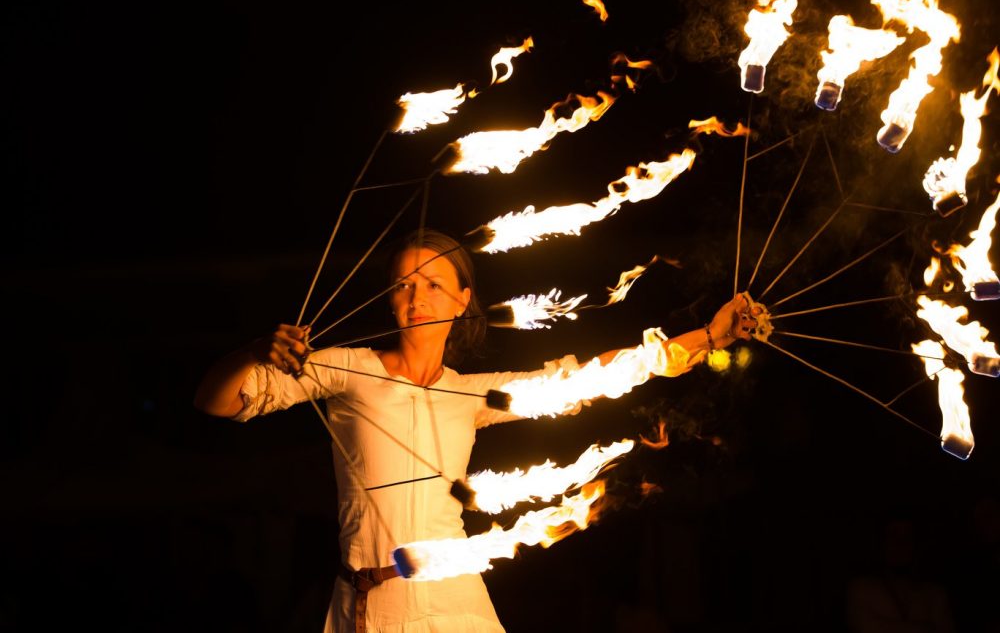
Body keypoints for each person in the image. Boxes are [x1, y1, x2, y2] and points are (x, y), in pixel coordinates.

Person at [194, 228, 755, 632]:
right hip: (368, 603)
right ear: (389, 299)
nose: (417, 298)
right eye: (404, 285)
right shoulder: (347, 369)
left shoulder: (470, 395)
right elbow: (215, 403)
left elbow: (590, 376)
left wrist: (709, 336)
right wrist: (252, 350)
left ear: (463, 301)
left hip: (453, 601)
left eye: (433, 285)